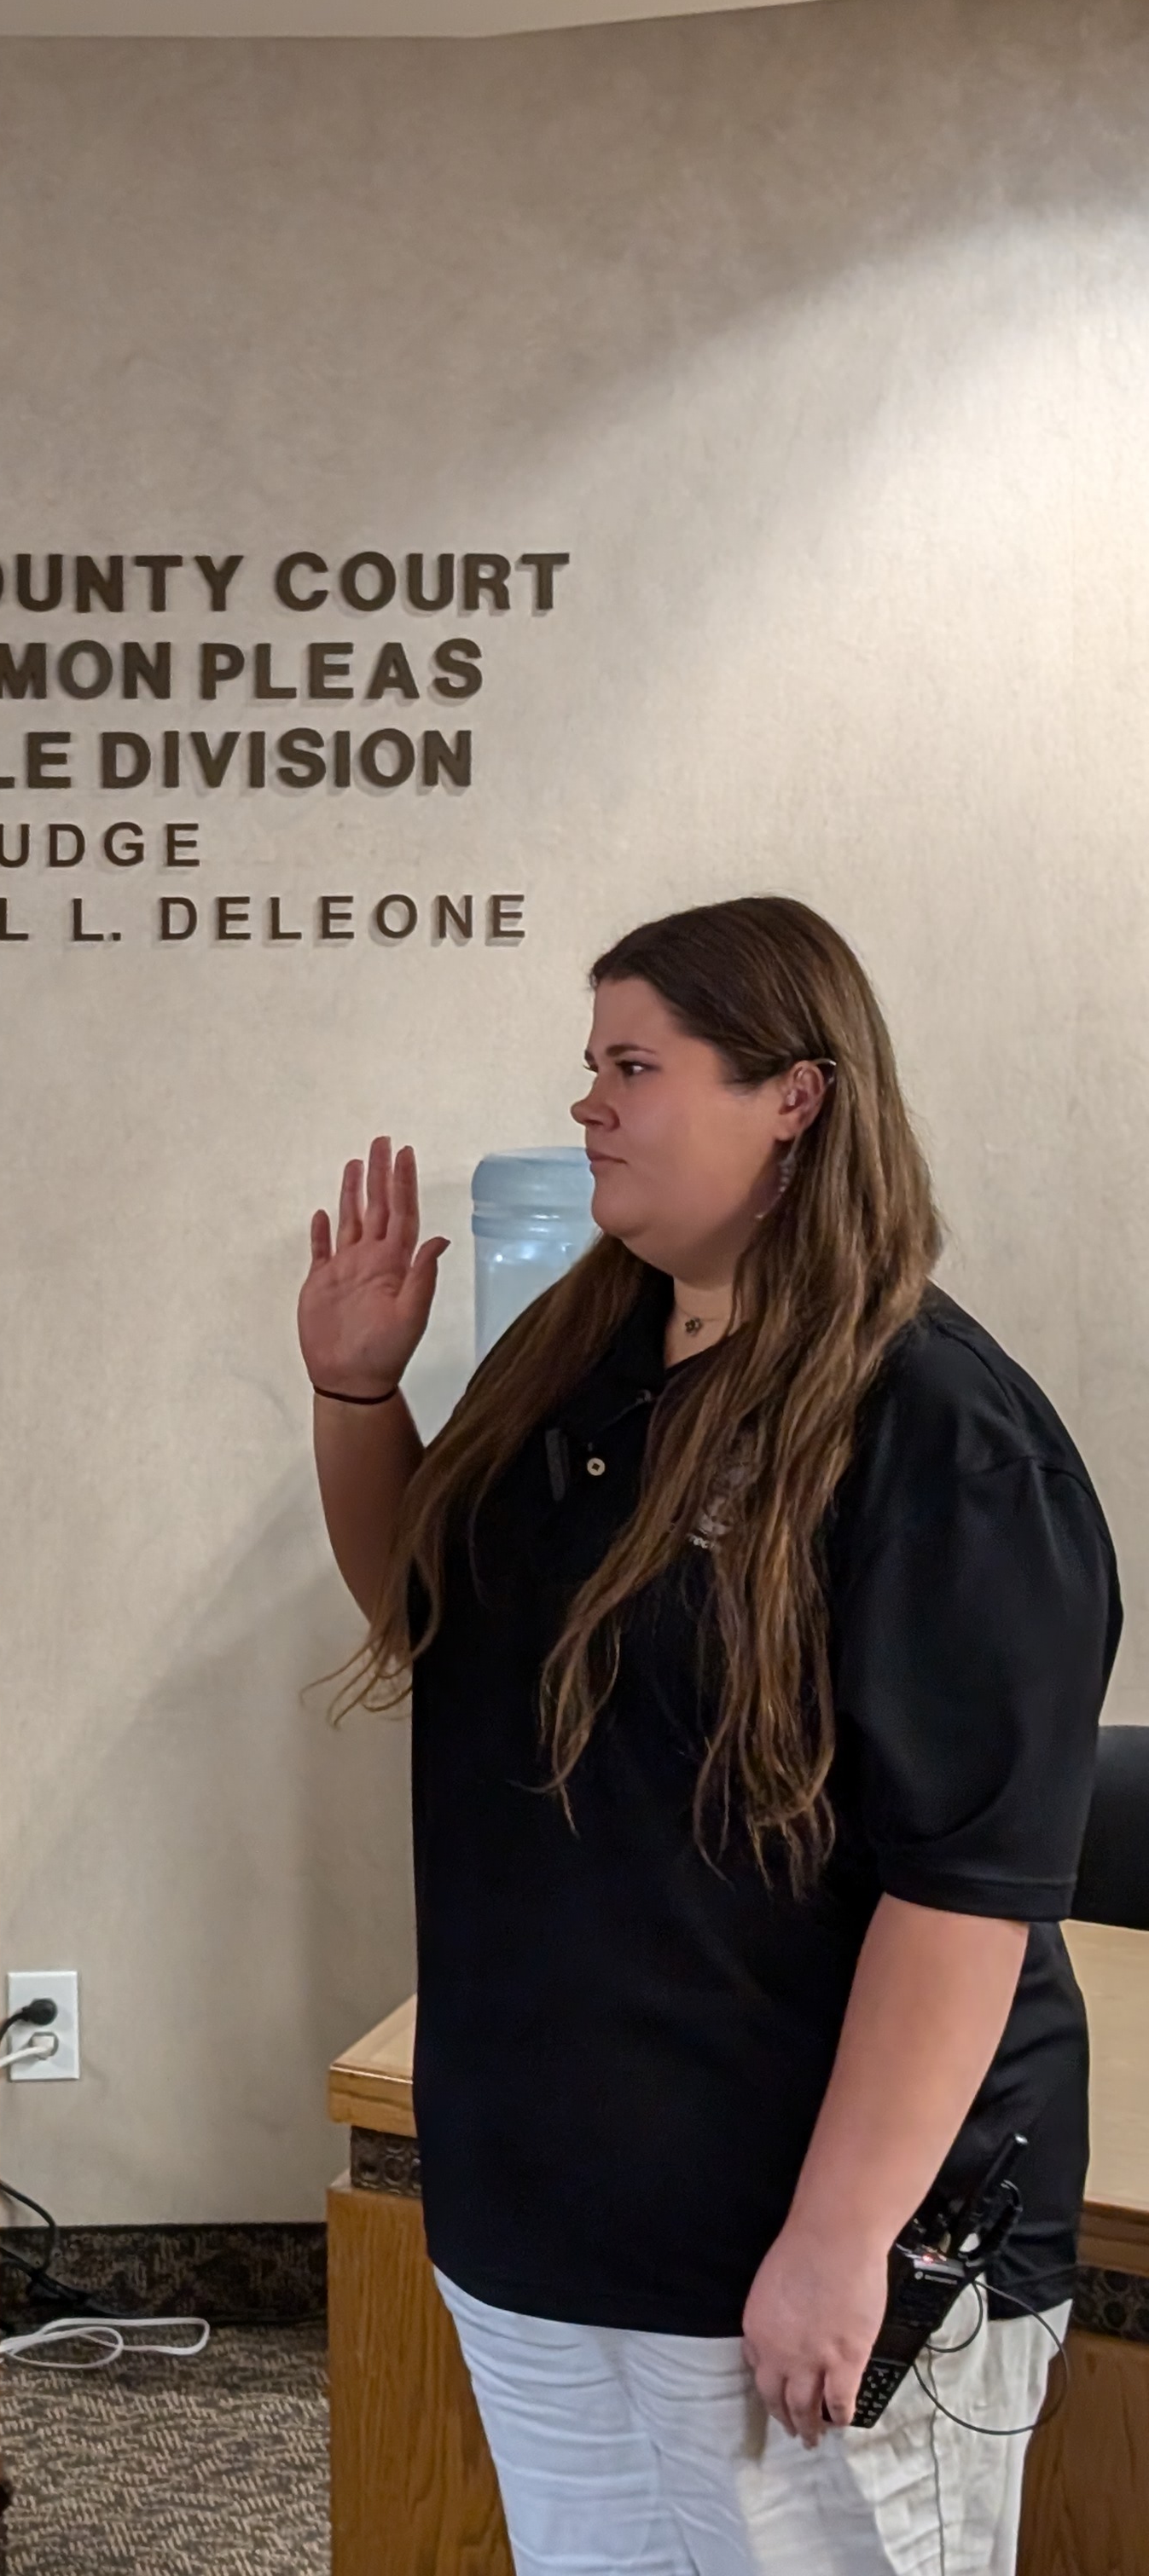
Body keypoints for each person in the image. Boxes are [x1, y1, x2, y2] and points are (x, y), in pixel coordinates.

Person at [300, 896, 1120, 2576]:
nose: (587, 1103)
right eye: (590, 1065)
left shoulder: (944, 1443)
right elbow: (435, 1624)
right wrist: (356, 1397)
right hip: (550, 2202)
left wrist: (841, 2238)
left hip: (806, 2235)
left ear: (794, 1099)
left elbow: (966, 1896)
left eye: (633, 1066)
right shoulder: (580, 1354)